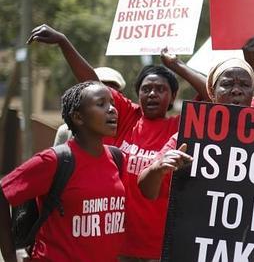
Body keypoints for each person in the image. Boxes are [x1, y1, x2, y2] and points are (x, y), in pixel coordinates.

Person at [27, 24, 199, 261]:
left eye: (161, 89)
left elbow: (211, 97)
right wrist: (64, 42)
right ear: (137, 93)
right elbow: (90, 83)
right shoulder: (126, 115)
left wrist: (175, 65)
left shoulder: (179, 126)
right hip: (114, 243)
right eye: (146, 88)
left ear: (172, 97)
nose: (152, 94)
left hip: (157, 247)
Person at [0, 81, 125, 262]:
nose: (112, 109)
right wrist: (11, 255)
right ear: (78, 117)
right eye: (101, 104)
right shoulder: (55, 160)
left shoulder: (116, 158)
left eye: (112, 103)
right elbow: (3, 192)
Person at [138, 58, 254, 200]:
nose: (237, 90)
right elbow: (146, 190)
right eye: (227, 84)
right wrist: (157, 168)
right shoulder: (190, 135)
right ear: (212, 93)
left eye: (245, 85)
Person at [54, 66, 126, 146]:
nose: (111, 108)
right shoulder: (66, 132)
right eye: (100, 103)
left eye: (114, 94)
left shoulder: (126, 132)